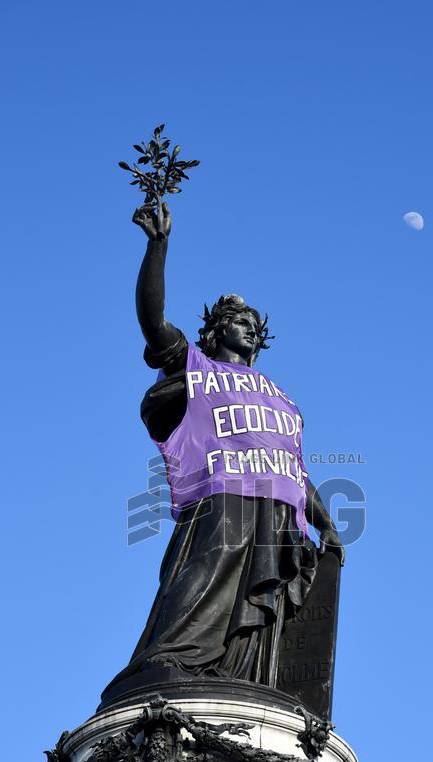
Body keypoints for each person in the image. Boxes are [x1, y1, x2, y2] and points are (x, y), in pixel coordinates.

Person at [100, 203, 344, 707]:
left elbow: (294, 469)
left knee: (259, 602)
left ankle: (243, 678)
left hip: (278, 509)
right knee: (206, 574)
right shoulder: (196, 368)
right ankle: (171, 659)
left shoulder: (278, 396)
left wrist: (326, 521)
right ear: (218, 331)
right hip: (222, 496)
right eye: (239, 321)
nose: (249, 328)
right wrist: (157, 246)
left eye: (255, 325)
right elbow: (152, 320)